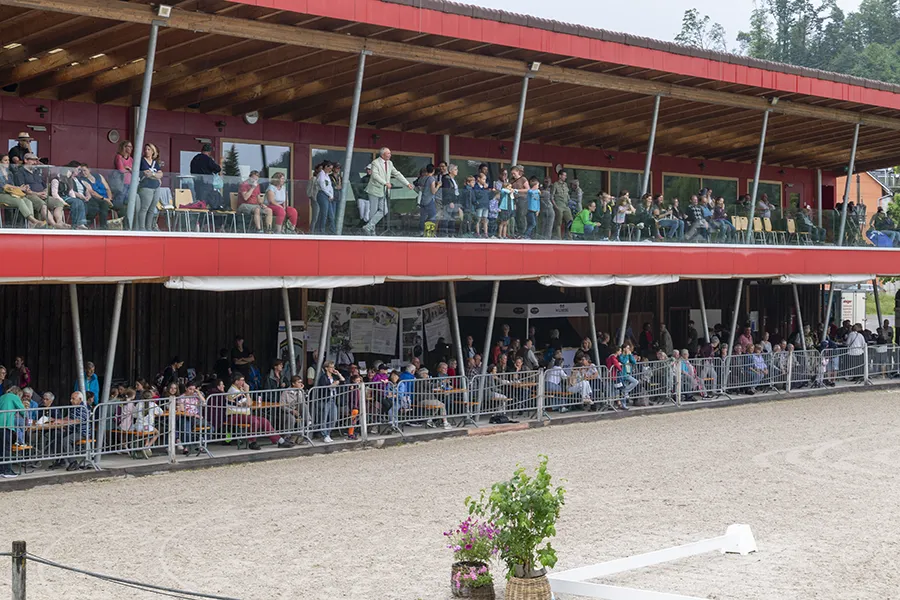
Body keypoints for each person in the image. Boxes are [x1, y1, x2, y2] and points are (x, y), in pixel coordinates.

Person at [225, 374, 294, 450]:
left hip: (244, 415)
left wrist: (246, 397)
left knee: (264, 421)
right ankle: (252, 442)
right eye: (242, 380)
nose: (244, 382)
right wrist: (247, 392)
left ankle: (279, 441)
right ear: (236, 381)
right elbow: (248, 403)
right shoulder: (233, 391)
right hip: (234, 416)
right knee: (255, 421)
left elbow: (250, 403)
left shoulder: (240, 389)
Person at [363, 147, 414, 234]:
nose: (390, 155)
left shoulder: (390, 163)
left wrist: (407, 183)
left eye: (390, 153)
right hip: (374, 190)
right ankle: (371, 230)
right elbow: (375, 176)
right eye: (388, 153)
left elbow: (397, 174)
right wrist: (385, 183)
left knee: (384, 210)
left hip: (383, 191)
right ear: (383, 154)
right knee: (373, 211)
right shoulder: (375, 163)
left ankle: (369, 226)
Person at [315, 361, 345, 443]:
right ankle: (324, 434)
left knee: (333, 418)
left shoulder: (334, 377)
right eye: (331, 367)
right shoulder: (323, 377)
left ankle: (328, 433)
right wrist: (333, 385)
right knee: (324, 418)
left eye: (333, 367)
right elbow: (324, 387)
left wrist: (338, 373)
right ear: (326, 368)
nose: (333, 369)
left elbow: (343, 380)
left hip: (333, 399)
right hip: (326, 399)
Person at [135, 143, 163, 231]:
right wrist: (156, 175)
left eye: (149, 149)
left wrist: (153, 174)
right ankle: (142, 228)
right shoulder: (142, 161)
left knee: (152, 209)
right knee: (144, 208)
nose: (146, 151)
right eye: (145, 149)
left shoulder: (155, 162)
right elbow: (146, 174)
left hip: (156, 187)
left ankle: (149, 227)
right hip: (146, 187)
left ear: (152, 151)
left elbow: (161, 174)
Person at [0, 386, 25, 478]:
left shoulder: (2, 396)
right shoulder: (14, 397)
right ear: (18, 393)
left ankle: (1, 470)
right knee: (7, 448)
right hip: (7, 424)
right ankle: (7, 470)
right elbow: (22, 410)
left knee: (0, 448)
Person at [79, 164, 113, 229]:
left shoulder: (99, 176)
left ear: (89, 170)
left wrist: (110, 199)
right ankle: (103, 227)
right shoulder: (83, 180)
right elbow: (92, 192)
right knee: (103, 204)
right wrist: (105, 199)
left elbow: (107, 188)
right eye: (81, 171)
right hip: (96, 198)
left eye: (84, 170)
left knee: (120, 206)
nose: (83, 173)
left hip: (106, 198)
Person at [189, 143, 222, 208]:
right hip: (206, 184)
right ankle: (205, 217)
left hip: (197, 184)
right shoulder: (207, 159)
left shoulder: (195, 159)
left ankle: (200, 216)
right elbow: (217, 169)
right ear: (209, 152)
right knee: (207, 201)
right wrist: (220, 163)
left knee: (199, 202)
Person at [112, 139, 134, 214]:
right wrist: (128, 170)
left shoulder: (131, 159)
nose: (131, 148)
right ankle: (117, 219)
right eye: (129, 146)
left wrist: (128, 169)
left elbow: (134, 171)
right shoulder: (119, 157)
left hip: (130, 183)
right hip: (121, 183)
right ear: (124, 147)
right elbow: (121, 170)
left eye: (131, 147)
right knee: (119, 202)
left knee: (127, 202)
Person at [552, 170, 573, 240]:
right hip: (559, 205)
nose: (565, 177)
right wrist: (555, 206)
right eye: (564, 175)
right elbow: (551, 197)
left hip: (566, 206)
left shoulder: (565, 185)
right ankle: (558, 238)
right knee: (558, 223)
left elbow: (567, 195)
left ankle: (569, 238)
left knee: (570, 221)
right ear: (560, 176)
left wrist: (570, 202)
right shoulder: (555, 184)